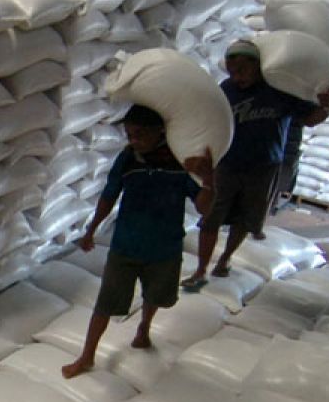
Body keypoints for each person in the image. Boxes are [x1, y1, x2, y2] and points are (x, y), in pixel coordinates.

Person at [61, 104, 216, 379]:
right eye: (129, 134)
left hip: (164, 247)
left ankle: (144, 327)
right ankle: (86, 356)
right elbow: (109, 196)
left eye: (140, 134)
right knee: (105, 303)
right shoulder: (127, 158)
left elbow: (204, 208)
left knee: (155, 295)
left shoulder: (180, 162)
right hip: (126, 245)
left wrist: (209, 181)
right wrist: (91, 230)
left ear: (160, 132)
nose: (134, 140)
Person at [181, 40, 329, 290]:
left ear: (257, 65)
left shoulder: (279, 91)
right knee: (211, 218)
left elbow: (310, 120)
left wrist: (327, 106)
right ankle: (200, 270)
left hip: (263, 166)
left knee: (245, 217)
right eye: (232, 70)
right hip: (228, 164)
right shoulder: (227, 90)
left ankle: (225, 258)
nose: (237, 76)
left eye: (242, 69)